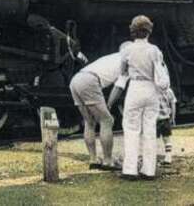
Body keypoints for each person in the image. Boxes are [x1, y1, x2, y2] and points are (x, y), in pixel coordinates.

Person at [69, 41, 130, 170]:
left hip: (76, 79)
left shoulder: (111, 57)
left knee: (89, 121)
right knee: (107, 120)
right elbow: (119, 87)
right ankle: (108, 161)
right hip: (89, 81)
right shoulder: (126, 61)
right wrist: (109, 104)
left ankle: (93, 160)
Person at [119, 15, 167, 180]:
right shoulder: (154, 50)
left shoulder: (127, 50)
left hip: (135, 87)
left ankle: (130, 169)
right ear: (149, 31)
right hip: (151, 89)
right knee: (149, 129)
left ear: (132, 31)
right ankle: (149, 170)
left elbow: (122, 72)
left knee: (131, 128)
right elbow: (159, 70)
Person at [157, 86, 177, 166]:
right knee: (167, 138)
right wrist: (173, 117)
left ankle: (151, 157)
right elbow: (173, 105)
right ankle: (168, 157)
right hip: (165, 118)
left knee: (152, 139)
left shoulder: (152, 89)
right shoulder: (169, 91)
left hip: (155, 118)